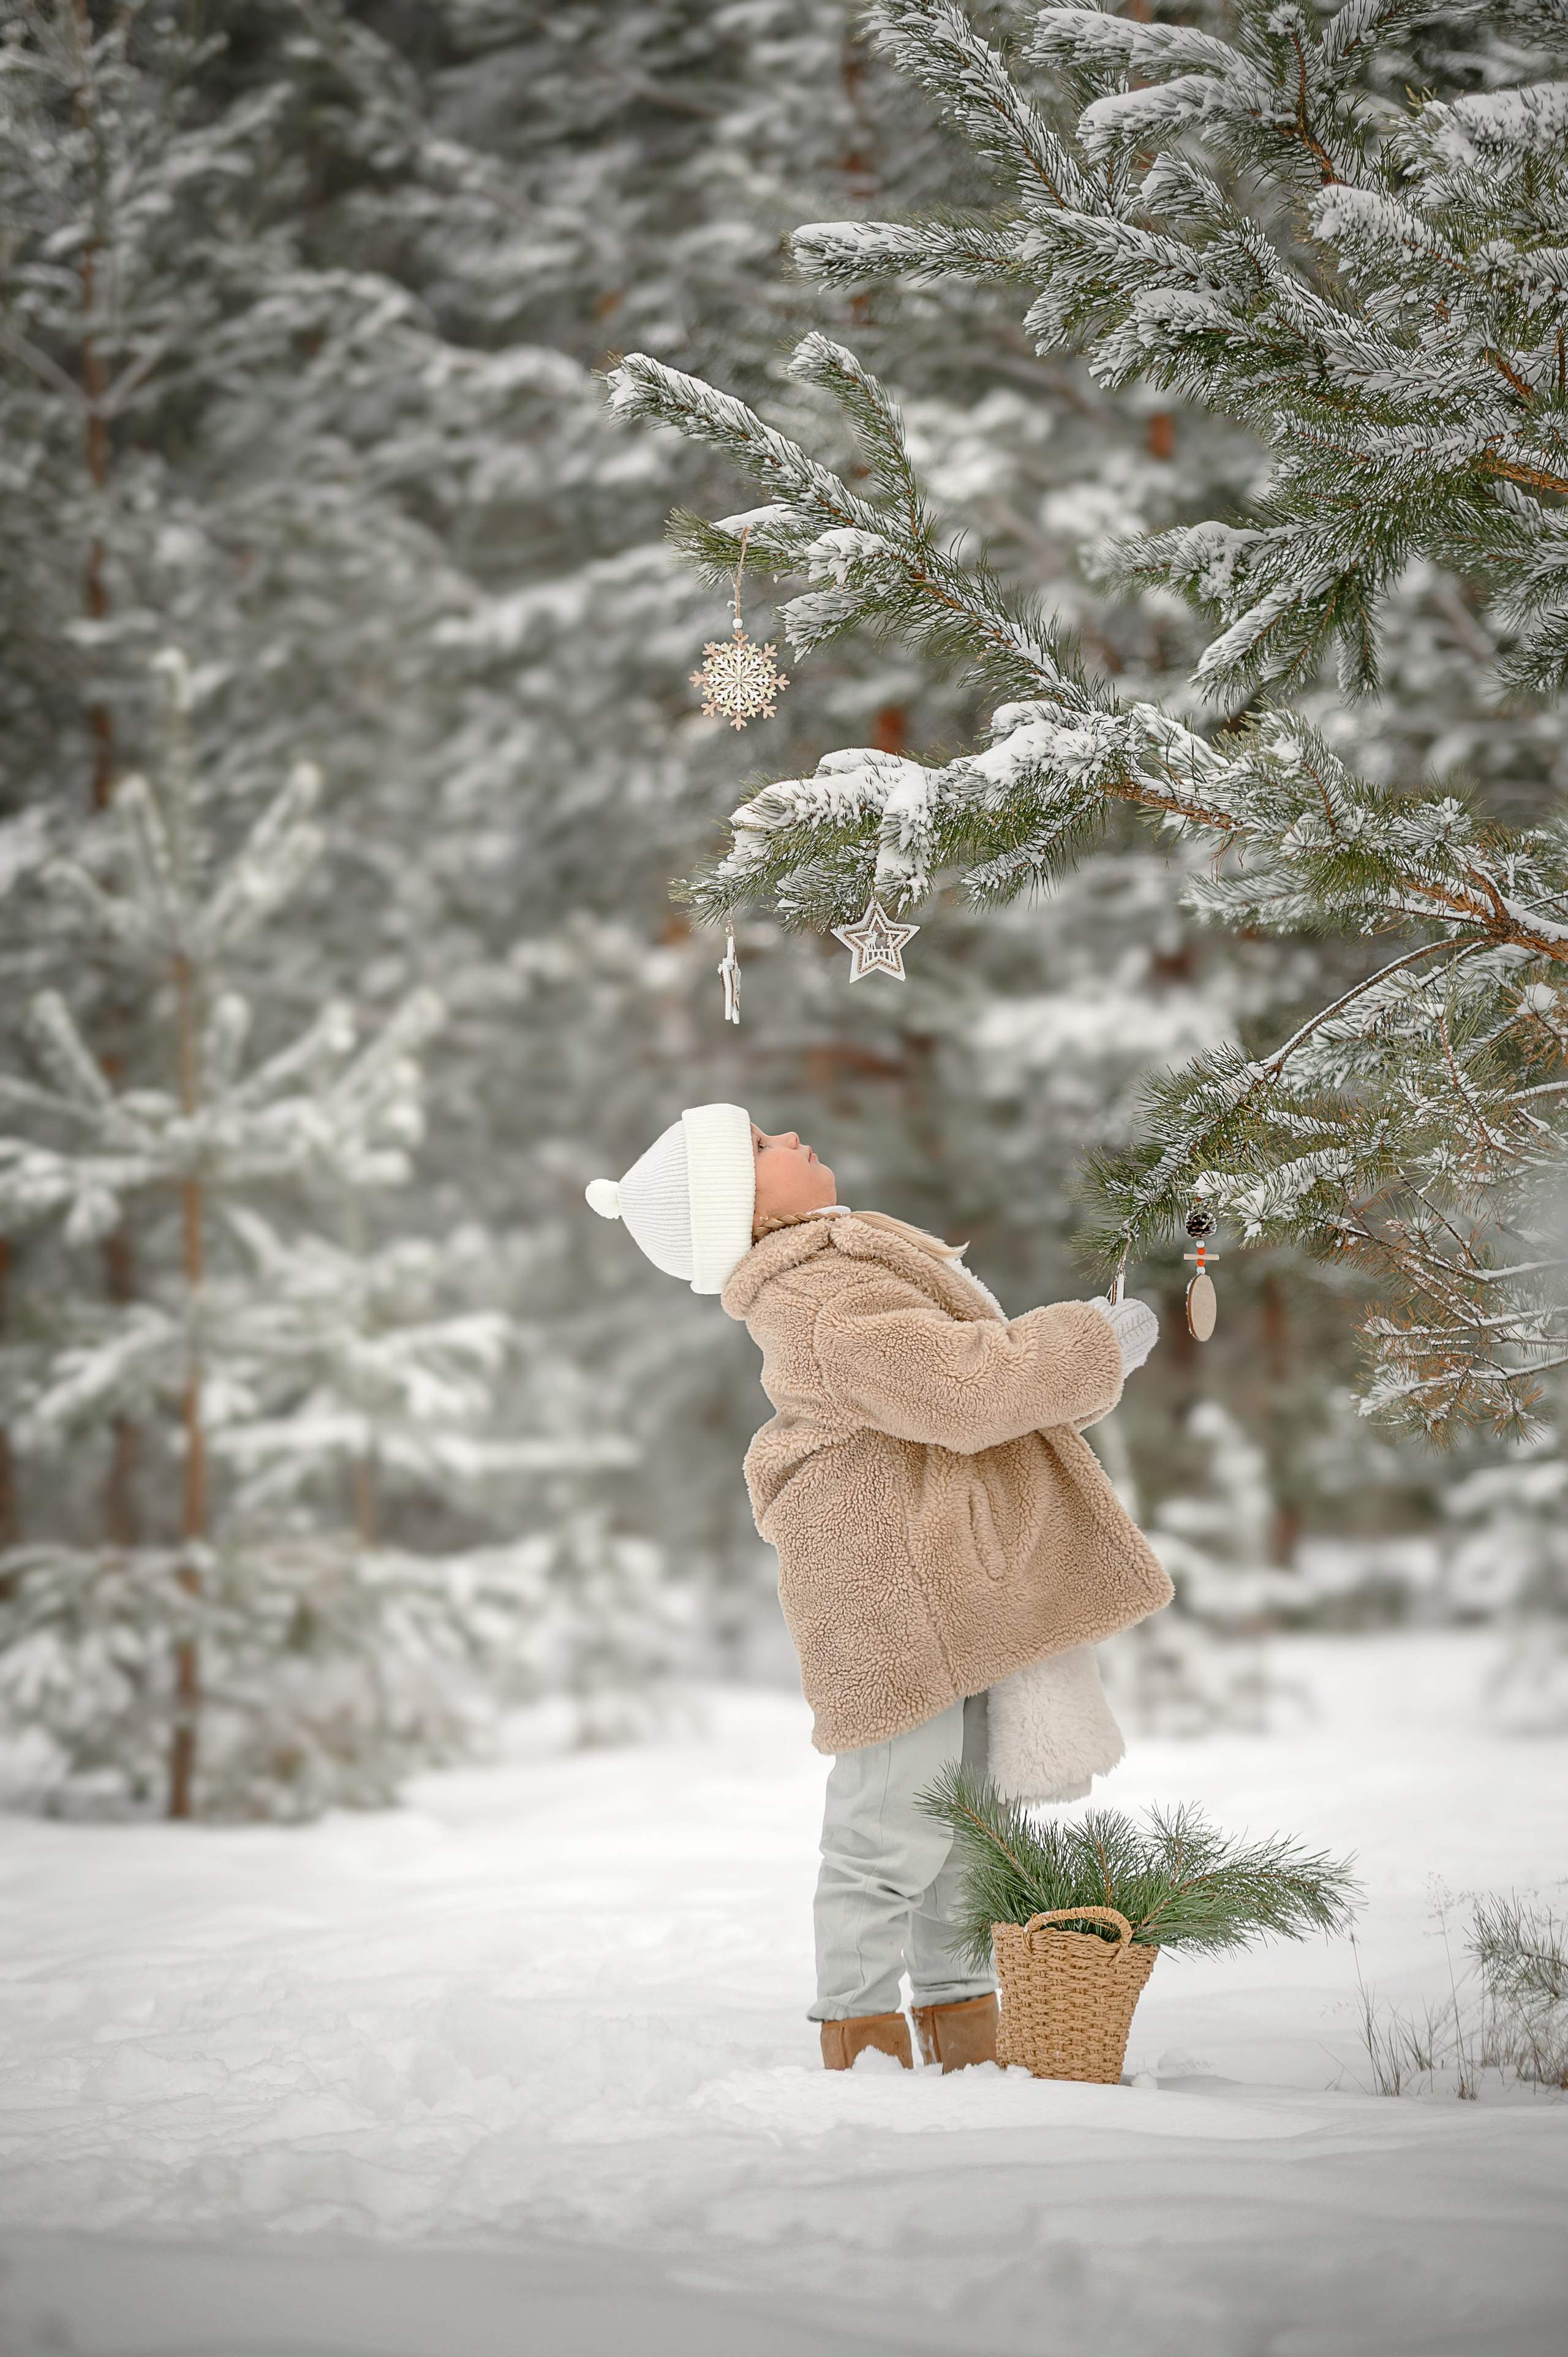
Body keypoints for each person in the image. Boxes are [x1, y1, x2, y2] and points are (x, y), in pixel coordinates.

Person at [586, 1104, 1171, 2073]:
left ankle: (961, 2019)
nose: (789, 1138)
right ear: (740, 1208)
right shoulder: (818, 1295)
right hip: (887, 1600)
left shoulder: (840, 1261)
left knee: (969, 1823)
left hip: (939, 1586)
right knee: (891, 1819)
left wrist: (1079, 1355)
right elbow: (958, 1386)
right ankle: (857, 2033)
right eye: (760, 1147)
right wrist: (1088, 1347)